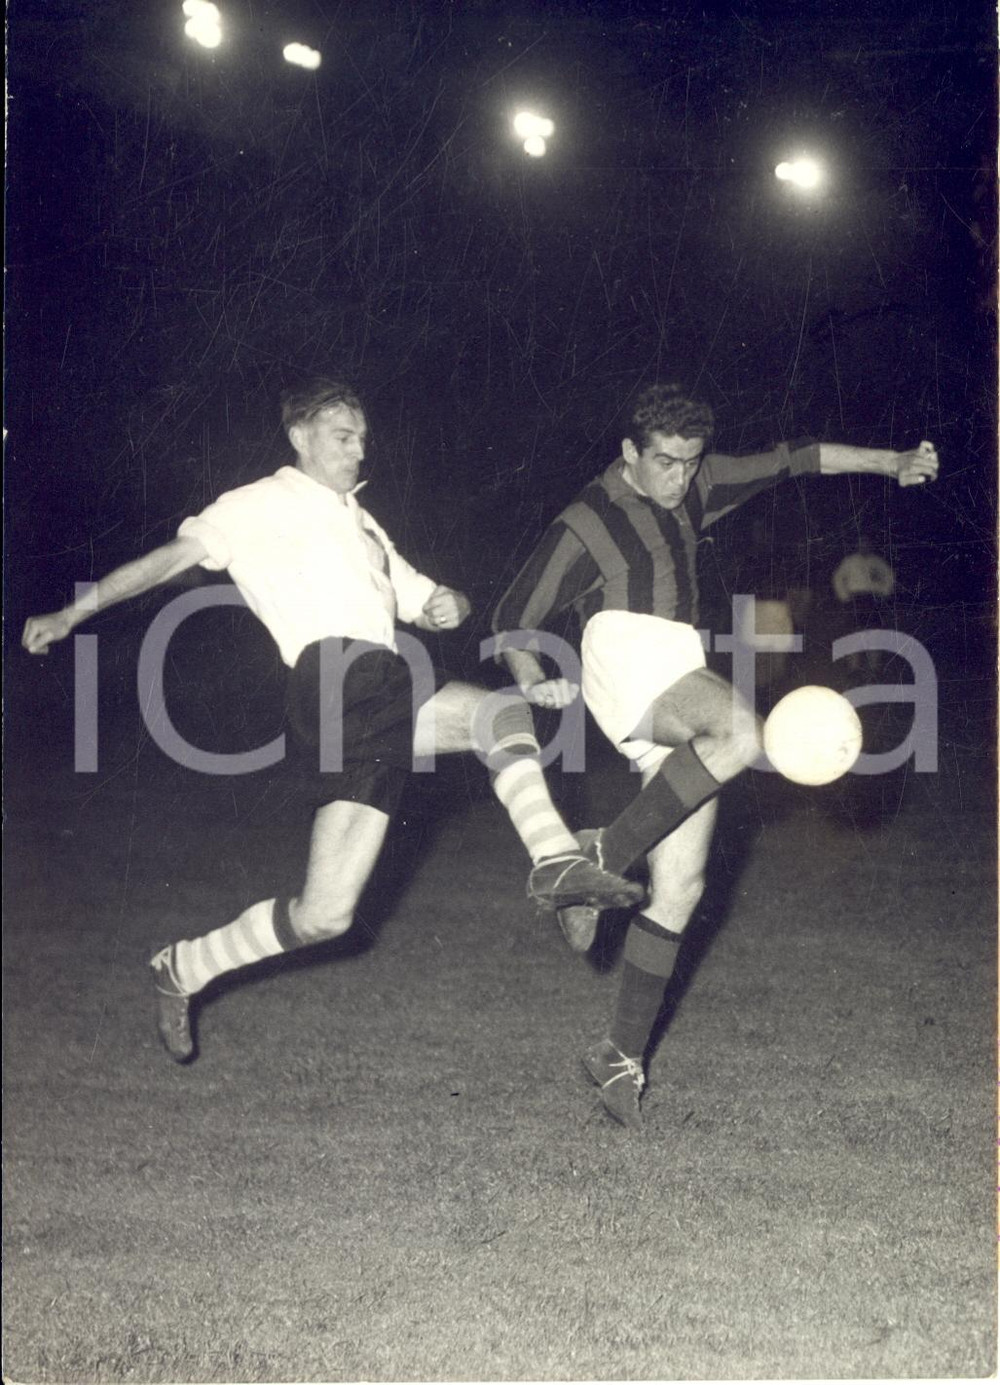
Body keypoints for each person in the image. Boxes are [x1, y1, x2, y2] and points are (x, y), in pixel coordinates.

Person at [22, 379, 642, 1064]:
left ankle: (187, 964)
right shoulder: (257, 503)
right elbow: (166, 562)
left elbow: (427, 598)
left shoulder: (364, 522)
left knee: (330, 910)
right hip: (335, 677)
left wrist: (450, 604)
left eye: (363, 438)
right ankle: (556, 860)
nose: (358, 449)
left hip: (373, 687)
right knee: (491, 717)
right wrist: (72, 613)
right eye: (343, 435)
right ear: (299, 436)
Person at [492, 383, 939, 1131]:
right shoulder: (587, 519)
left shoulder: (699, 483)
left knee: (680, 887)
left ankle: (618, 1054)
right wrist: (532, 677)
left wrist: (891, 461)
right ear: (629, 452)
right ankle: (600, 853)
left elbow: (798, 458)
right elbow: (515, 612)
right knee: (742, 732)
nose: (678, 478)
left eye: (689, 462)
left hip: (675, 668)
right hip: (625, 650)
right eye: (664, 462)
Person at [832, 535, 896, 674]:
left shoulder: (877, 562)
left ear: (871, 546)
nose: (864, 546)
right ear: (858, 546)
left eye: (867, 544)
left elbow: (889, 577)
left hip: (873, 599)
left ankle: (874, 666)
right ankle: (853, 667)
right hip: (855, 599)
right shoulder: (850, 561)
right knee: (854, 633)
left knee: (874, 633)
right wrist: (844, 596)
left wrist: (883, 593)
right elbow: (838, 578)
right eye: (862, 544)